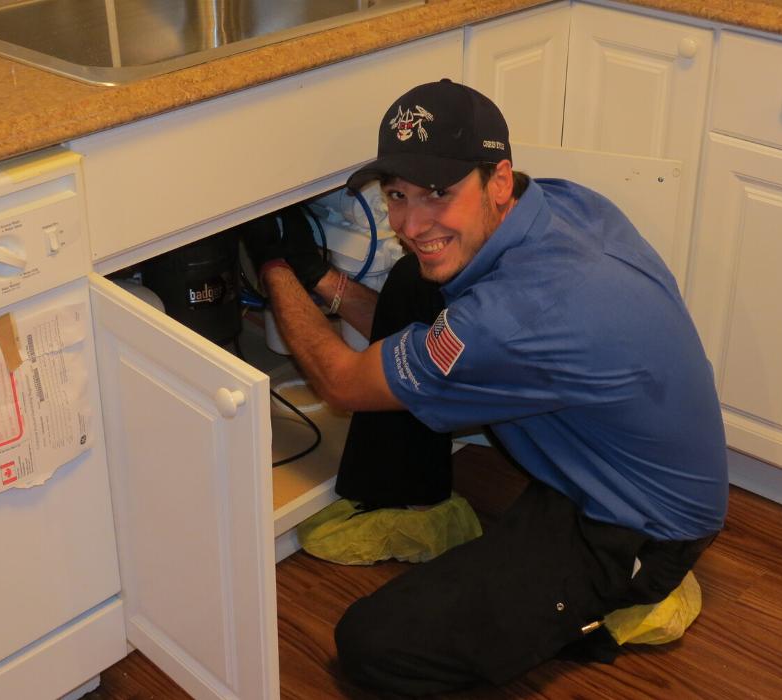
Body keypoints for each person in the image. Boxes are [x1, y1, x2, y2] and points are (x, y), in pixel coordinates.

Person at [243, 79, 728, 696]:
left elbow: (343, 382)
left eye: (438, 194)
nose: (410, 223)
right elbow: (446, 338)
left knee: (373, 645)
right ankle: (410, 498)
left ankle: (625, 600)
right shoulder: (563, 203)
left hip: (636, 525)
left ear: (497, 182)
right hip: (612, 454)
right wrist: (321, 279)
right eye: (397, 195)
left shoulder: (516, 316)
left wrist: (275, 268)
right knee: (416, 281)